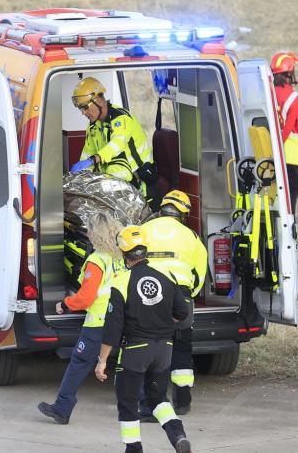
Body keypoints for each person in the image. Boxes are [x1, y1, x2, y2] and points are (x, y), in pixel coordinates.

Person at [94, 226, 192, 453]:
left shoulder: (121, 282)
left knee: (128, 400)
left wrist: (102, 361)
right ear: (145, 250)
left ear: (123, 253)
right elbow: (182, 312)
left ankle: (134, 449)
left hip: (136, 351)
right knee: (158, 397)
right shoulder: (167, 275)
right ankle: (177, 435)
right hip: (164, 349)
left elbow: (113, 326)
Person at [38, 212, 124, 425]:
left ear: (95, 234)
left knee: (78, 363)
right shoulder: (121, 258)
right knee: (130, 364)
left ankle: (62, 408)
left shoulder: (97, 261)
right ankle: (145, 406)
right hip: (121, 320)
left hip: (98, 323)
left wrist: (65, 304)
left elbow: (86, 297)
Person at [140, 190, 207, 417]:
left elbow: (129, 261)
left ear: (162, 208)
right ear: (184, 213)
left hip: (149, 293)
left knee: (150, 345)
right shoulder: (191, 236)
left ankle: (154, 403)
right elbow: (199, 273)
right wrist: (188, 293)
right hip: (180, 294)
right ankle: (183, 401)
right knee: (181, 347)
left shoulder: (144, 230)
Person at [70, 77, 155, 197]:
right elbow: (88, 153)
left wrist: (93, 160)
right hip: (115, 185)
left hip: (141, 184)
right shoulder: (93, 126)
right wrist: (80, 176)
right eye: (80, 109)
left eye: (85, 107)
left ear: (98, 100)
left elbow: (116, 145)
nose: (83, 113)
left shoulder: (121, 118)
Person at [271, 51, 298, 209]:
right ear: (289, 72)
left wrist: (276, 148)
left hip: (275, 153)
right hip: (292, 156)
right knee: (291, 198)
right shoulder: (293, 97)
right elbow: (289, 127)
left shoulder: (269, 92)